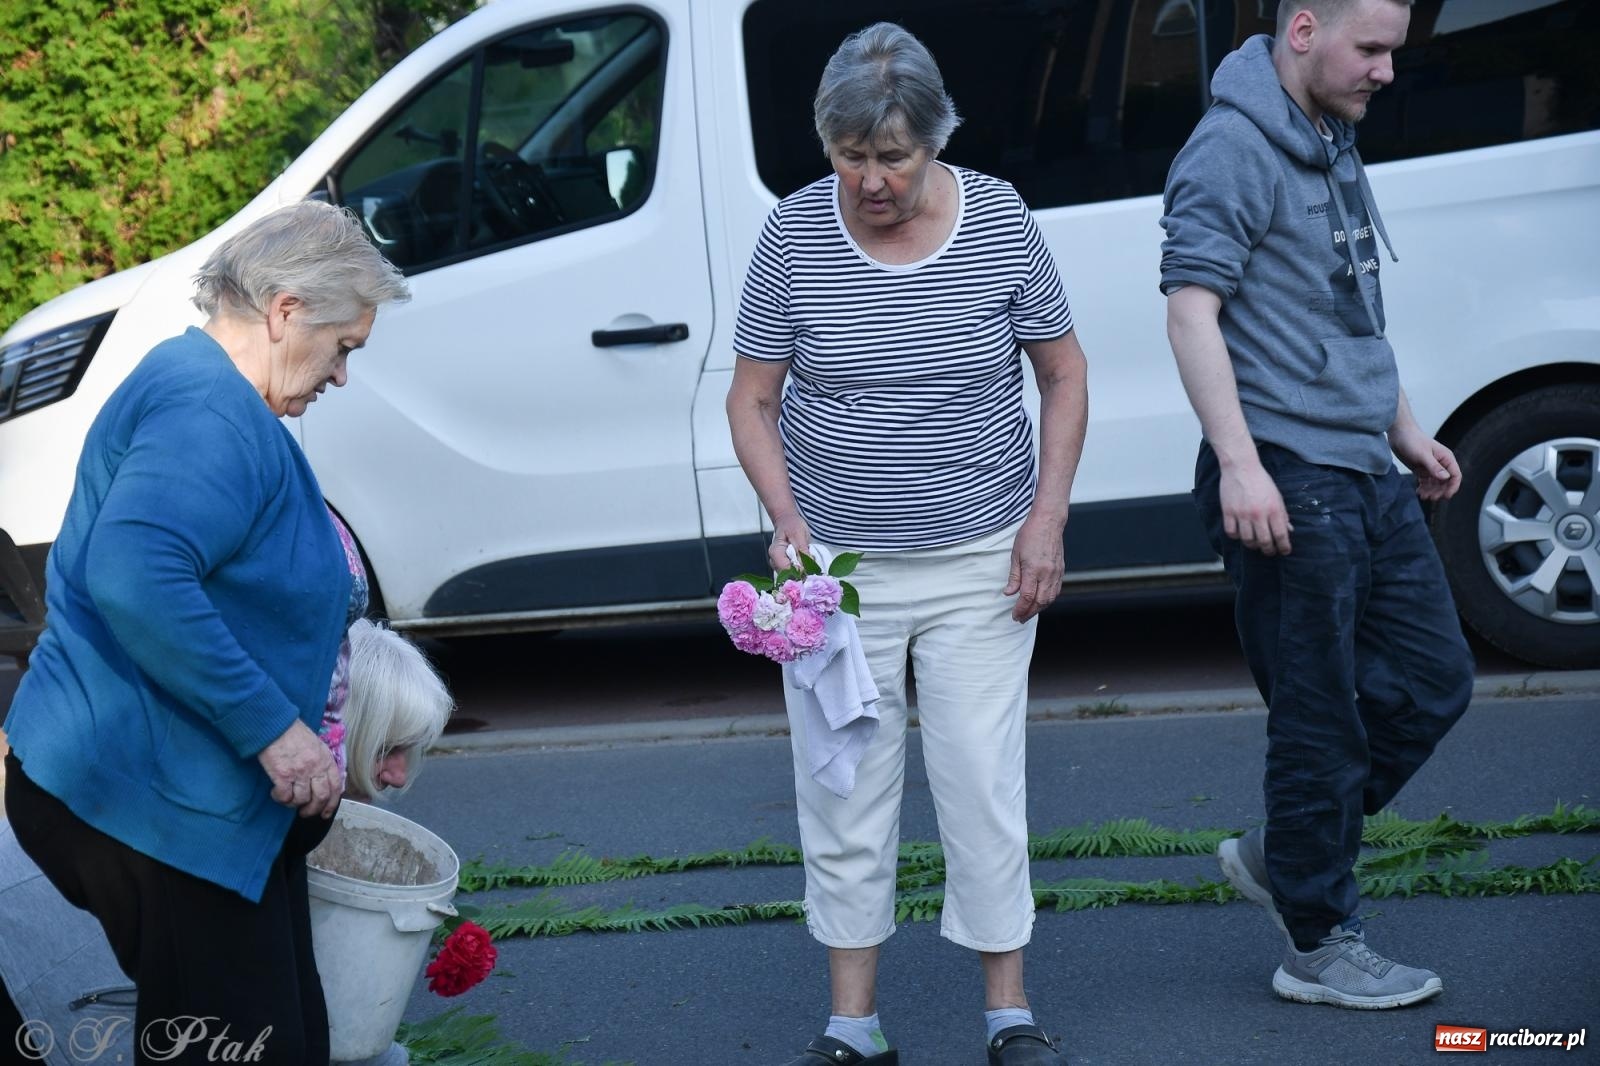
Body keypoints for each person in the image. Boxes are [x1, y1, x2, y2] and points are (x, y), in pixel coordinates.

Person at [726, 23, 1088, 1066]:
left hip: (982, 555)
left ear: (936, 142)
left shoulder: (1001, 219)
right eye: (850, 157)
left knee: (980, 779)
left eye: (893, 158)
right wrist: (786, 519)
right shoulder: (794, 235)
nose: (871, 180)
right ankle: (854, 1028)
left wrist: (1046, 518)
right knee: (844, 786)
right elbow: (752, 401)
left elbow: (1063, 373)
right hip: (839, 574)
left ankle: (1008, 1016)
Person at [1, 199, 410, 1064]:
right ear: (286, 310)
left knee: (282, 1037)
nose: (342, 376)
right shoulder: (208, 410)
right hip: (157, 811)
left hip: (196, 814)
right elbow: (134, 572)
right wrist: (276, 732)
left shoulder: (215, 393)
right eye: (344, 347)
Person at [1159, 0, 1473, 1010]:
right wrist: (1240, 463)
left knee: (1433, 680)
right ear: (1303, 30)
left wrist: (1402, 426)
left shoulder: (1331, 134)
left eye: (1392, 50)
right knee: (1317, 717)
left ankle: (1284, 851)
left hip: (1361, 465)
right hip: (1284, 473)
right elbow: (1190, 310)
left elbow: (1349, 304)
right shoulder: (1229, 151)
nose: (1386, 71)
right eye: (1370, 48)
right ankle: (1316, 940)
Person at [0, 616, 454, 1066]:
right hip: (25, 937)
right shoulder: (233, 814)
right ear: (335, 726)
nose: (396, 775)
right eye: (385, 748)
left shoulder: (287, 783)